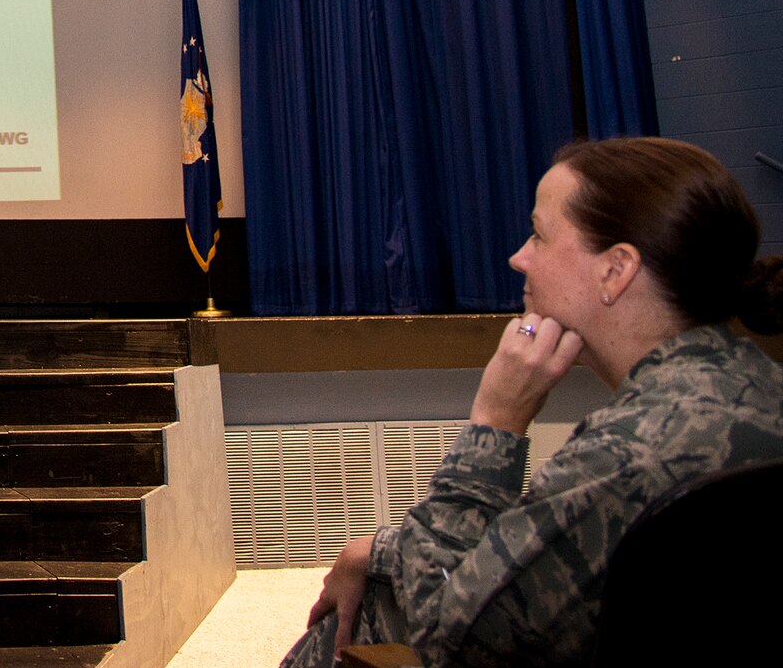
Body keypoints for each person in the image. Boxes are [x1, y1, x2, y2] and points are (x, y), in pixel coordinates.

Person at [282, 136, 783, 668]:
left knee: (352, 625)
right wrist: (382, 550)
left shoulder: (624, 455)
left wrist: (495, 422)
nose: (518, 257)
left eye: (539, 236)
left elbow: (448, 639)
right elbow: (533, 552)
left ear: (616, 270)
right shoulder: (751, 388)